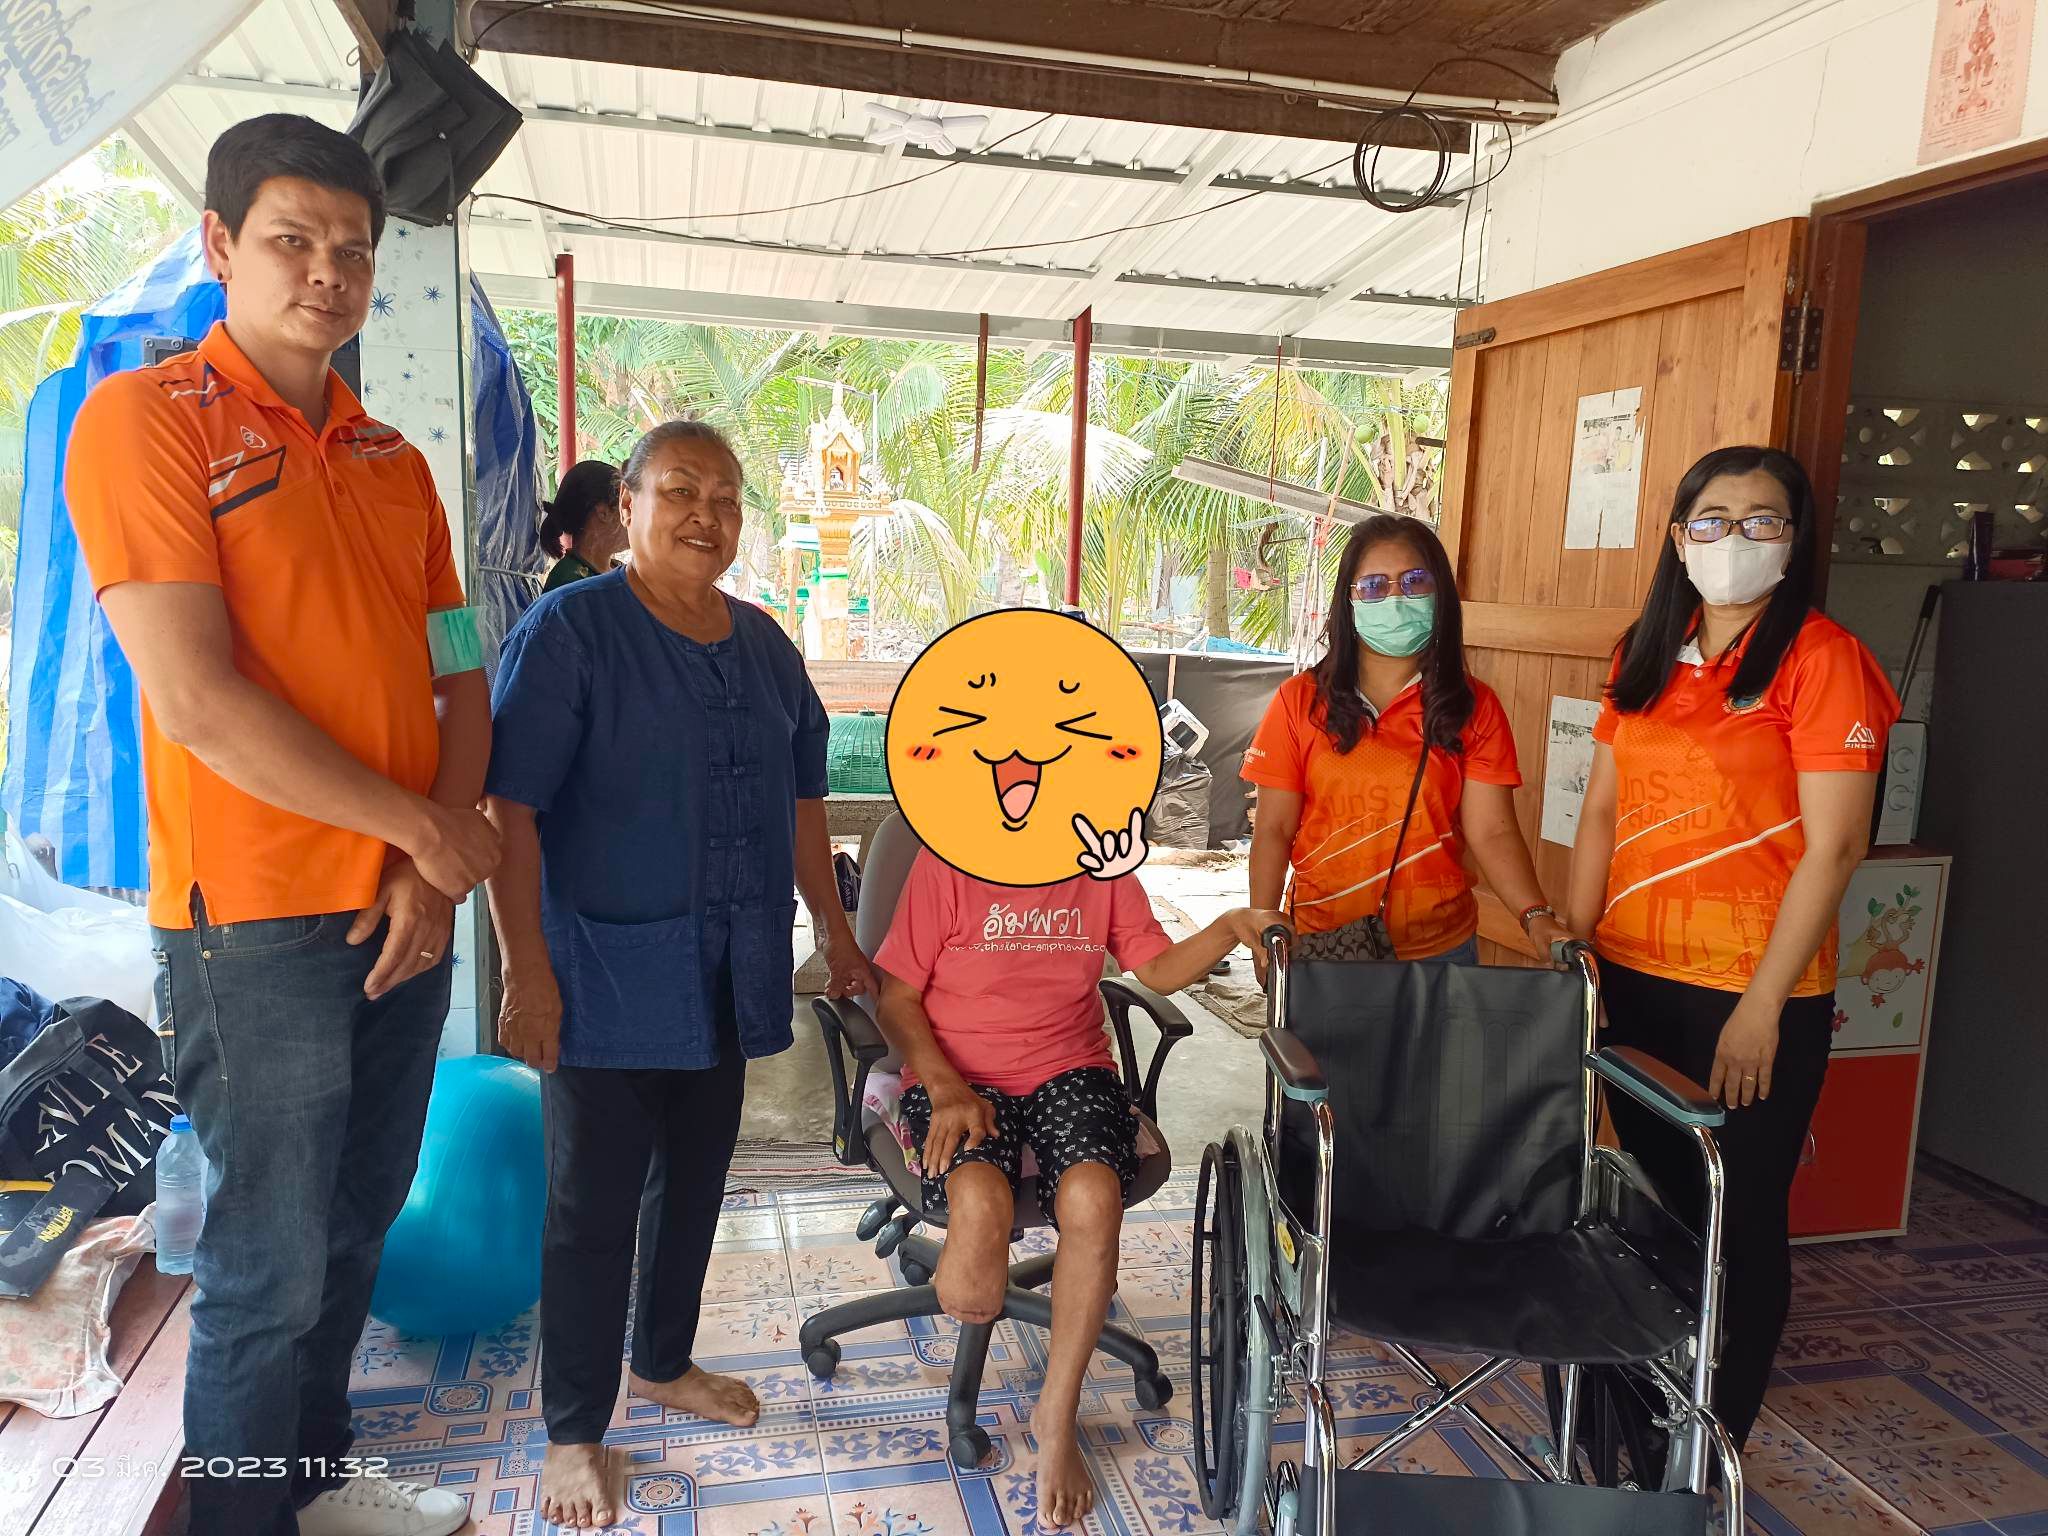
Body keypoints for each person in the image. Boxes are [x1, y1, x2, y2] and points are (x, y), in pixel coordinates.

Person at [64, 115, 499, 1536]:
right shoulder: (151, 420)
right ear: (220, 244)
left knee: (358, 1223)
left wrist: (433, 854)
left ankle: (311, 1484)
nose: (327, 273)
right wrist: (425, 834)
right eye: (292, 241)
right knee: (264, 1269)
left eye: (352, 250)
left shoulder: (392, 461)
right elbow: (197, 699)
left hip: (401, 907)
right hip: (252, 927)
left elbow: (458, 670)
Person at [483, 419, 876, 1531]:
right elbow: (509, 808)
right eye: (680, 491)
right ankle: (573, 1432)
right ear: (629, 507)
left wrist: (836, 932)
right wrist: (525, 972)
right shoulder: (573, 632)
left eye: (727, 497)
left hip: (727, 975)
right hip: (601, 979)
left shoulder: (764, 647)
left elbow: (803, 803)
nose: (707, 515)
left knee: (695, 1186)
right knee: (590, 1210)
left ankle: (661, 1363)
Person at [1566, 445, 1898, 1449]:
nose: (1734, 539)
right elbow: (1598, 812)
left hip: (1749, 997)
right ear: (1678, 538)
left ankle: (1711, 1447)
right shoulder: (1643, 651)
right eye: (1711, 520)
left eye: (1762, 521)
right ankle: (1645, 1413)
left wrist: (1762, 1006)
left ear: (1793, 541)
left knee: (1738, 1218)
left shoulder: (1821, 660)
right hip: (1632, 977)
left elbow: (1835, 845)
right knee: (1660, 1204)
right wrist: (1575, 945)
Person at [873, 851, 1286, 1529]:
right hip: (958, 1076)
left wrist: (1230, 925)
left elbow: (1155, 969)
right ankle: (973, 1229)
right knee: (976, 1242)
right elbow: (896, 999)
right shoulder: (949, 859)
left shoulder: (1102, 864)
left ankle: (1056, 1416)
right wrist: (944, 1088)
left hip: (1071, 1069)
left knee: (1094, 1198)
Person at [1244, 515, 1571, 962]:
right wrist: (1263, 929)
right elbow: (1274, 829)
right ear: (1349, 600)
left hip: (1442, 951)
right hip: (1323, 948)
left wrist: (1536, 917)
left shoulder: (1474, 706)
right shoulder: (1298, 700)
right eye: (1374, 586)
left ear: (1440, 595)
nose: (1396, 598)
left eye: (1415, 581)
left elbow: (1492, 831)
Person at [539, 458, 625, 591]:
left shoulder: (617, 571)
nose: (633, 515)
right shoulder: (569, 583)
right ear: (603, 512)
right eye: (626, 506)